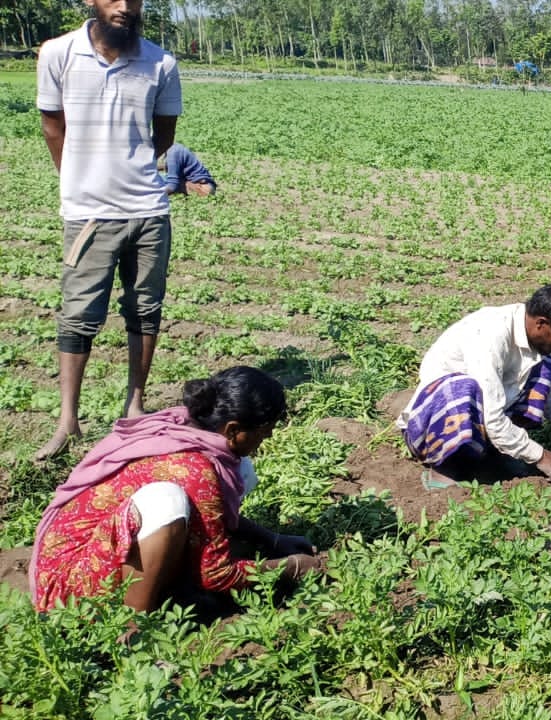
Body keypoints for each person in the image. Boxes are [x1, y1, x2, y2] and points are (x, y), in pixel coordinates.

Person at [30, 367, 319, 614]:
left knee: (242, 470)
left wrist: (271, 538)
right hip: (68, 588)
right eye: (263, 431)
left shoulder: (185, 424)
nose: (266, 438)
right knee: (166, 502)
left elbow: (210, 513)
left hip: (95, 550)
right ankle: (132, 627)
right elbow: (216, 574)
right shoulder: (195, 469)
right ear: (232, 430)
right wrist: (292, 566)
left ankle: (163, 583)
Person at [34, 0, 183, 460]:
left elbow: (164, 135)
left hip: (147, 211)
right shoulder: (58, 53)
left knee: (145, 309)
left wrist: (128, 170)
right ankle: (68, 421)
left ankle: (134, 406)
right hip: (89, 214)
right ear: (89, 2)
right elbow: (52, 125)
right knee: (79, 314)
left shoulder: (161, 62)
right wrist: (78, 181)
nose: (124, 6)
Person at [398, 283, 551, 486]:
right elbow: (492, 417)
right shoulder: (489, 334)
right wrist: (539, 455)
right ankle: (445, 468)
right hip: (432, 426)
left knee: (544, 369)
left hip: (484, 417)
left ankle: (493, 453)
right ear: (542, 324)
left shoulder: (535, 344)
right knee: (464, 389)